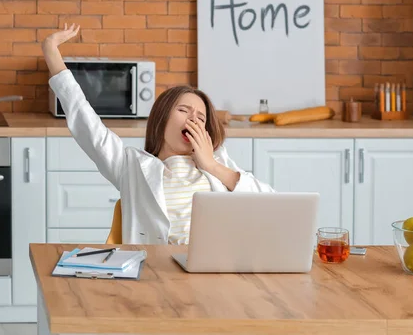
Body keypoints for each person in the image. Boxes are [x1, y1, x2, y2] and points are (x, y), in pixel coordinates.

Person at [43, 23, 275, 245]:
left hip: (211, 272)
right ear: (162, 118)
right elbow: (86, 123)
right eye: (184, 110)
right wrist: (51, 51)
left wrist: (211, 165)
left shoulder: (219, 163)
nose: (193, 118)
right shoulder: (131, 166)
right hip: (157, 273)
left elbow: (271, 204)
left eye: (201, 118)